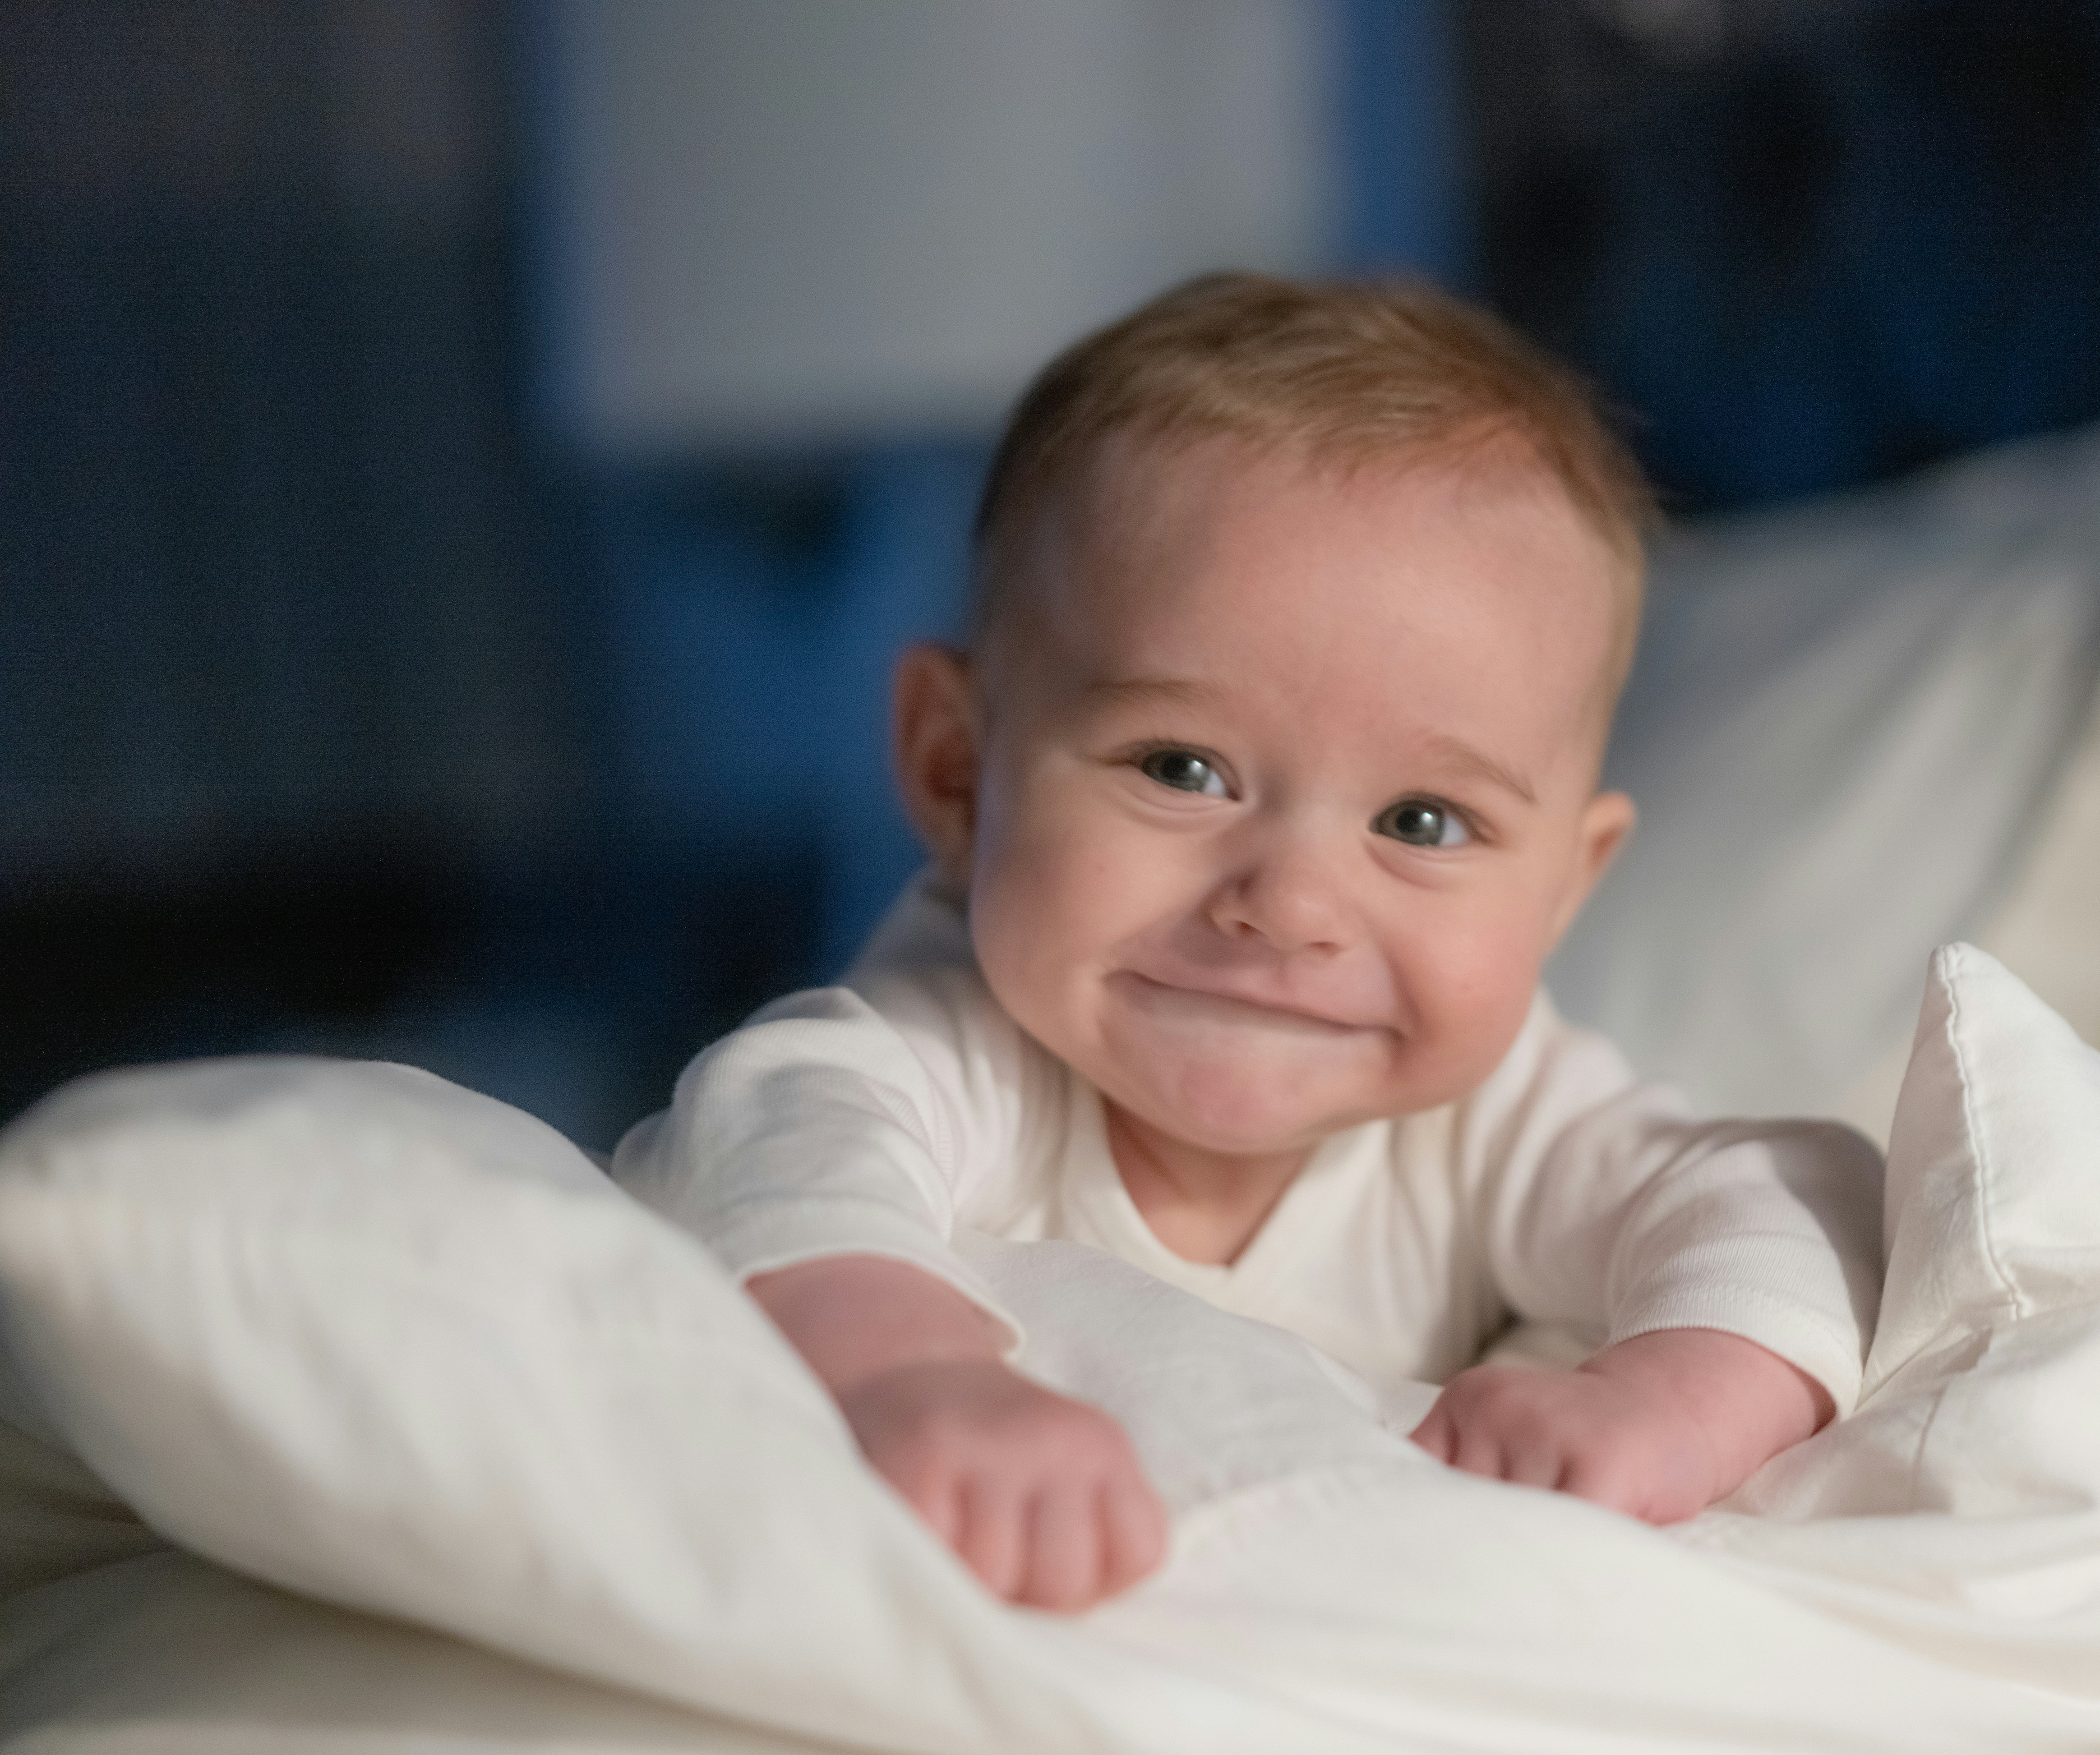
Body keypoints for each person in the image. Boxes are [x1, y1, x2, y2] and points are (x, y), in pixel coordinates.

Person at [616, 273, 1881, 1614]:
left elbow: (1778, 1209)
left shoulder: (1497, 1120)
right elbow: (780, 1144)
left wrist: (1669, 1404)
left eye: (1423, 820)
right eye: (1183, 766)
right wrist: (906, 1370)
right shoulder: (951, 1047)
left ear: (1565, 890)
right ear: (957, 774)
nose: (1290, 905)